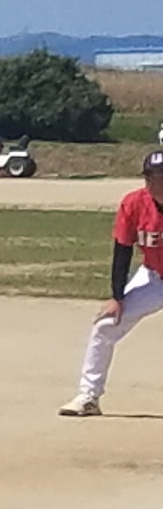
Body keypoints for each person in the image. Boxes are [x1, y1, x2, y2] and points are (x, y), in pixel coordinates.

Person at [59, 149, 163, 417]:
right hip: (154, 277)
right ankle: (89, 397)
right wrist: (117, 297)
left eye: (162, 177)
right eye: (151, 177)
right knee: (106, 325)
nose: (156, 183)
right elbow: (122, 249)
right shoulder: (134, 203)